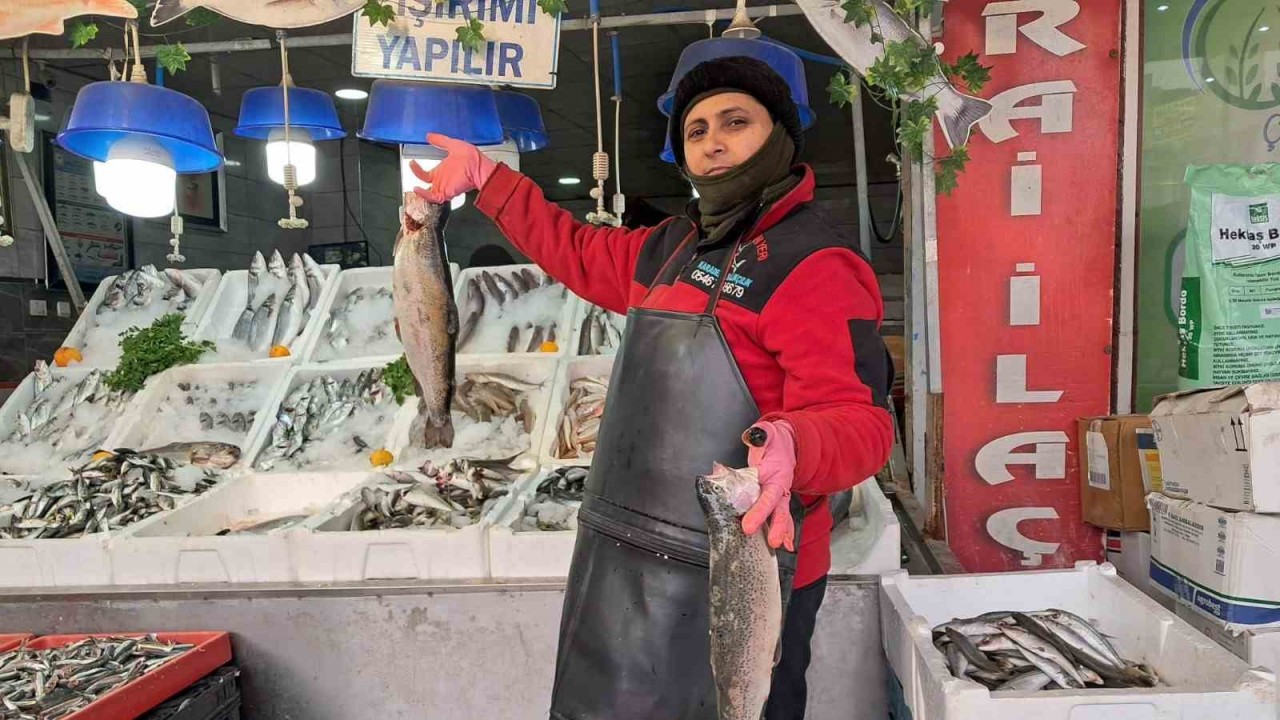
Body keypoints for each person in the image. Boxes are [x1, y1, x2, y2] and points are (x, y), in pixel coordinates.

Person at [412, 55, 893, 720]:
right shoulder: (671, 246)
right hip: (626, 556)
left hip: (748, 568)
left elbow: (861, 421)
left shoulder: (814, 261)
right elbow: (575, 250)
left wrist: (795, 443)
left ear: (780, 135)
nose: (713, 141)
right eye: (696, 132)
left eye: (735, 122)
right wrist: (491, 182)